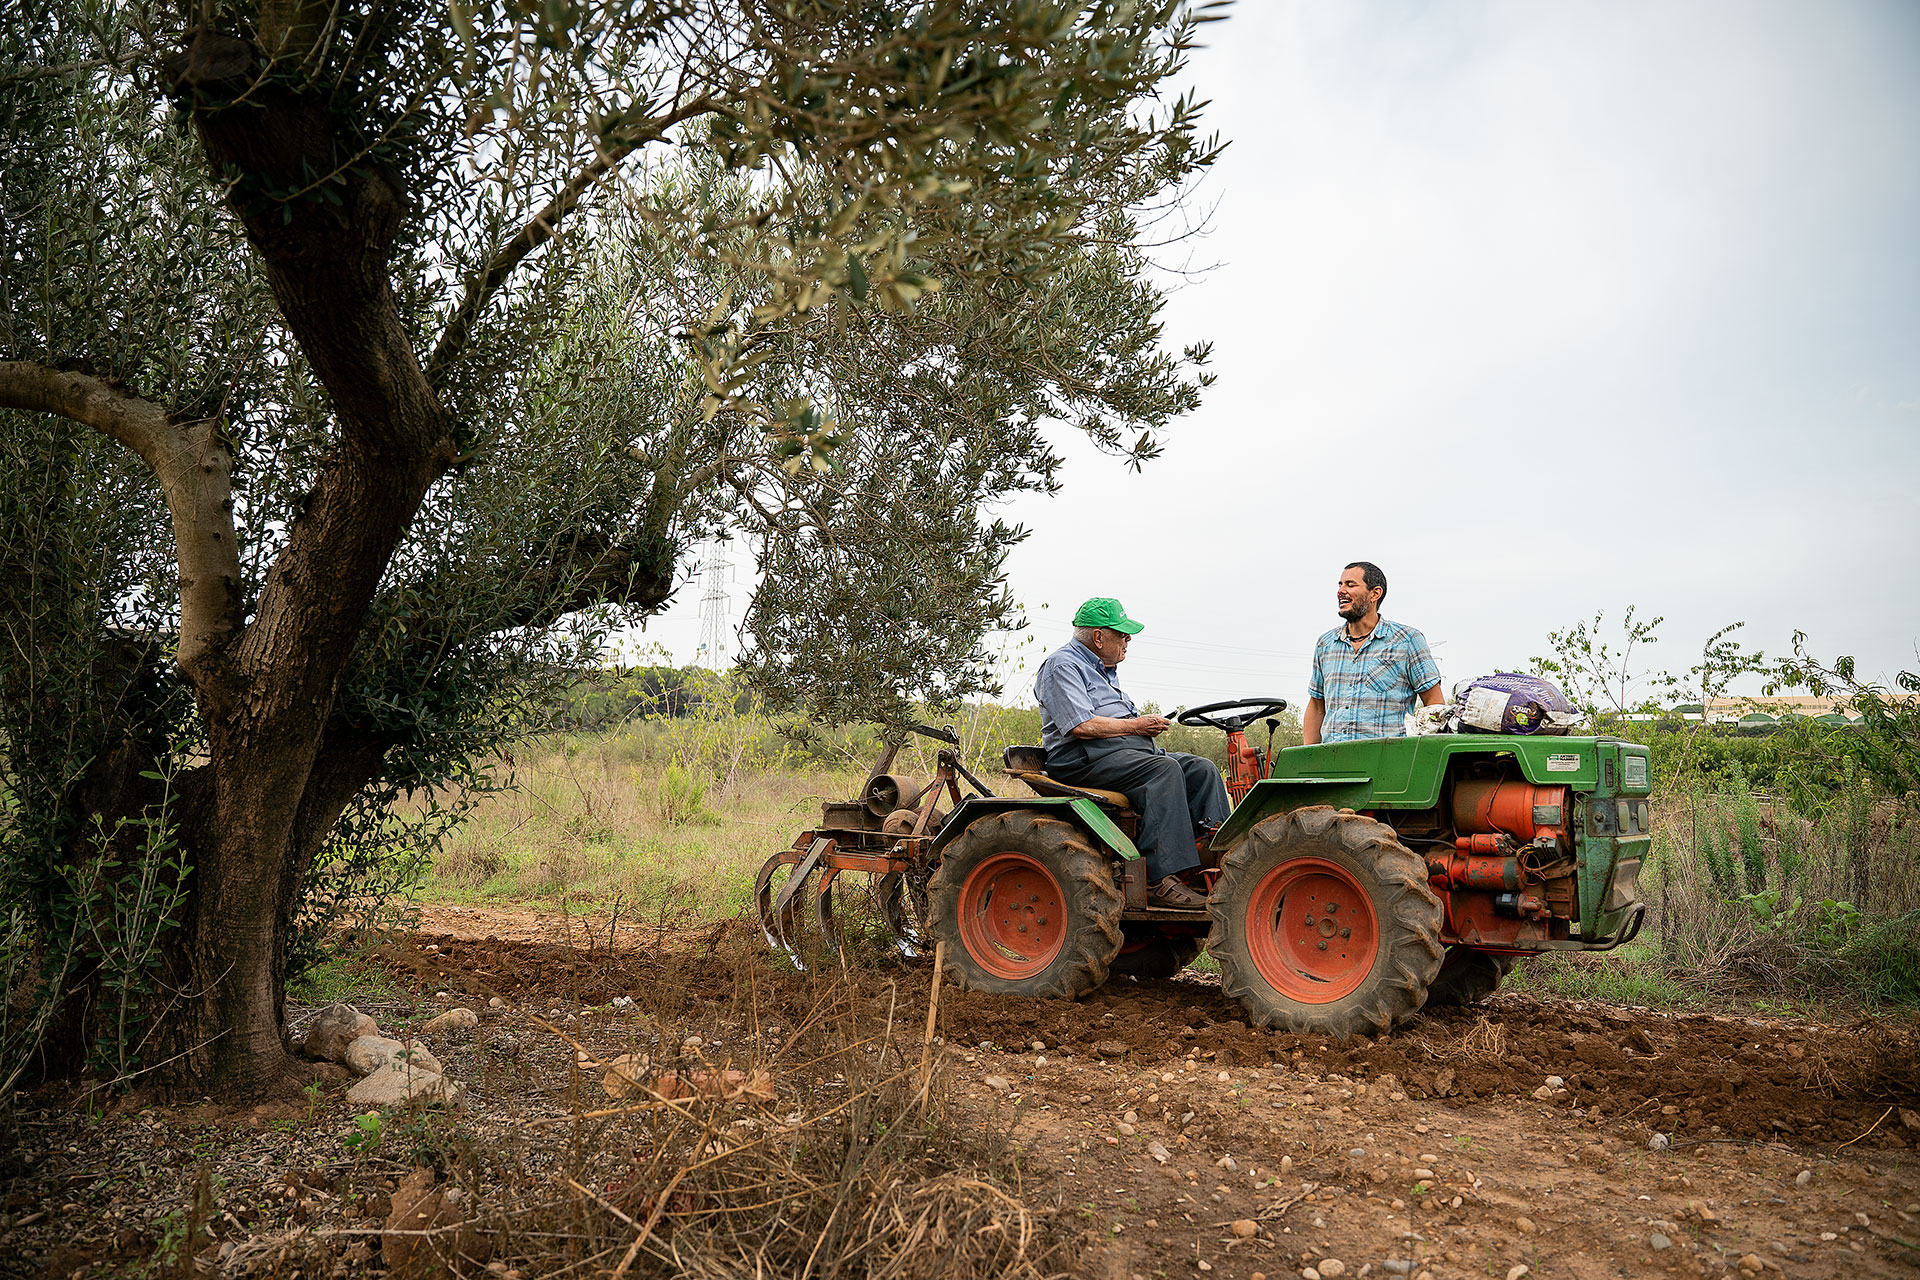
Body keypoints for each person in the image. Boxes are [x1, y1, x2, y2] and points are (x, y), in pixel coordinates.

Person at [1033, 598, 1227, 910]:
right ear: (1098, 637)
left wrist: (1140, 730)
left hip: (1119, 754)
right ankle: (1159, 880)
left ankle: (1214, 857)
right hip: (1082, 758)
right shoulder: (1063, 665)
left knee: (1201, 769)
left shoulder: (1105, 670)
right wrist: (1136, 726)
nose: (1128, 640)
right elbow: (1081, 726)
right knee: (1163, 770)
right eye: (1122, 634)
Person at [1303, 561, 1444, 744]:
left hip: (1388, 760)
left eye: (1350, 584)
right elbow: (1316, 706)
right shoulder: (1326, 644)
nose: (1341, 591)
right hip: (1332, 759)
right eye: (1340, 584)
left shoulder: (1408, 640)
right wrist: (1308, 757)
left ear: (1375, 594)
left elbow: (1434, 701)